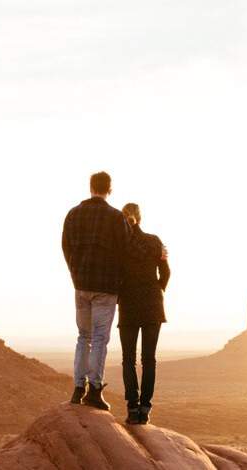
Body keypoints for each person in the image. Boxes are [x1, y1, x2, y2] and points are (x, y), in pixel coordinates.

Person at [61, 171, 130, 410]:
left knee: (83, 336)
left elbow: (66, 247)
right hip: (105, 287)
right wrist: (120, 284)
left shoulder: (73, 214)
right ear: (109, 189)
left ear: (90, 187)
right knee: (100, 337)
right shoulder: (115, 217)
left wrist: (75, 273)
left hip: (81, 285)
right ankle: (95, 389)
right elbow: (125, 253)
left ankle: (78, 388)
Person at [117, 202, 170, 425]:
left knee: (128, 359)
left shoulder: (119, 246)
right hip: (152, 305)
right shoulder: (154, 241)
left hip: (128, 305)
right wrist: (158, 289)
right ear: (140, 218)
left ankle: (132, 407)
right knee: (149, 359)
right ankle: (145, 408)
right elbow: (166, 272)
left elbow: (113, 275)